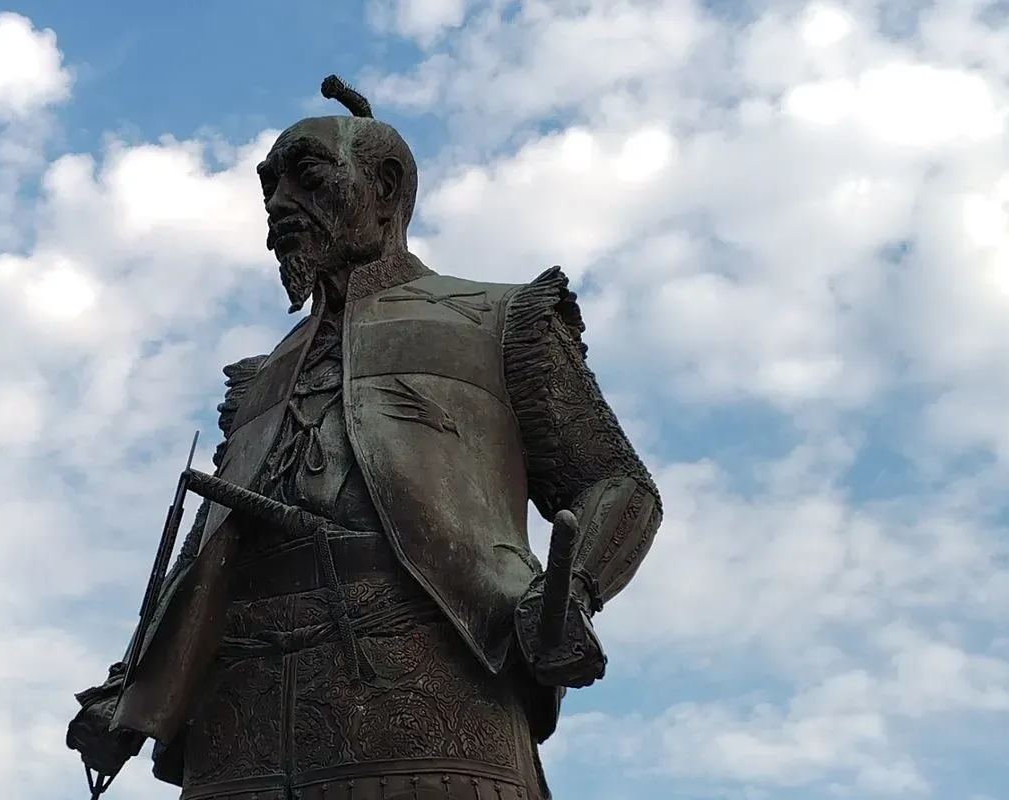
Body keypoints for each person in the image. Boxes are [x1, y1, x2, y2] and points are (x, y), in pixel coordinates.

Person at [67, 76, 664, 800]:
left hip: (429, 695)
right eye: (269, 187)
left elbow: (616, 483)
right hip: (239, 720)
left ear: (384, 186)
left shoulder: (500, 318)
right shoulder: (262, 377)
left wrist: (573, 592)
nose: (279, 204)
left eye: (308, 175)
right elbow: (211, 536)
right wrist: (130, 684)